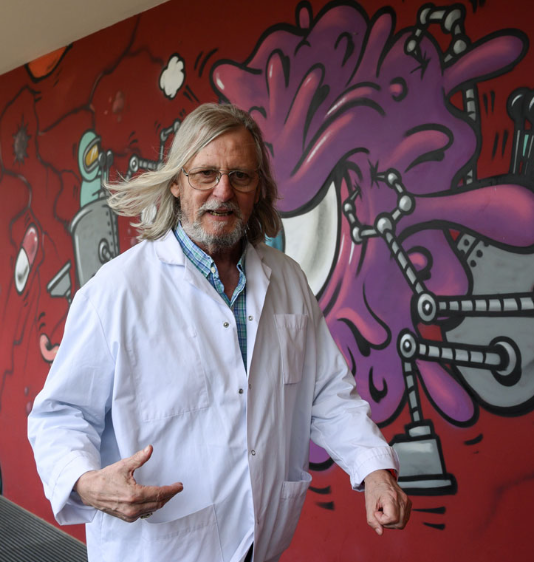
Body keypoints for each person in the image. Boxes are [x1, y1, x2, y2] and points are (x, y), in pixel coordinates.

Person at [28, 103, 411, 562]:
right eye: (205, 174)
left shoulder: (287, 280)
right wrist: (87, 483)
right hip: (157, 550)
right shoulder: (115, 292)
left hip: (259, 545)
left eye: (240, 176)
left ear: (258, 189)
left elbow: (326, 392)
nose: (223, 191)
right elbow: (60, 415)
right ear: (176, 182)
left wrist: (374, 470)